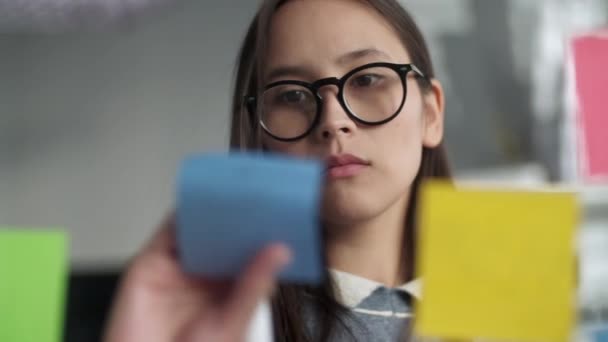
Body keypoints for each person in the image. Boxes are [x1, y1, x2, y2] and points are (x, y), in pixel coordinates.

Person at [104, 0, 451, 341]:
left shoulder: (498, 309)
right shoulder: (222, 319)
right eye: (292, 96)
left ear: (431, 114)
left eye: (367, 79)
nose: (333, 121)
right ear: (259, 133)